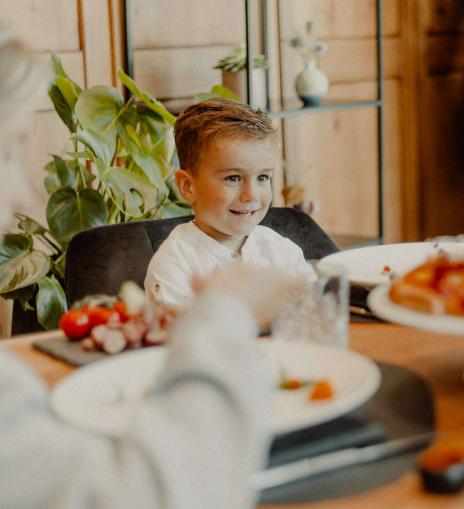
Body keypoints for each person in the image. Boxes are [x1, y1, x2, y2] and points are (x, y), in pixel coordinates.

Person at [0, 32, 306, 508]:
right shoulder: (177, 260)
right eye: (6, 154)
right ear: (187, 186)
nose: (22, 194)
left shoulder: (280, 247)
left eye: (263, 178)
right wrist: (225, 312)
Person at [145, 98, 313, 308]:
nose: (251, 195)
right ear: (188, 186)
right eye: (233, 178)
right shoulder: (174, 265)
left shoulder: (282, 252)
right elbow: (179, 328)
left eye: (262, 178)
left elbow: (315, 312)